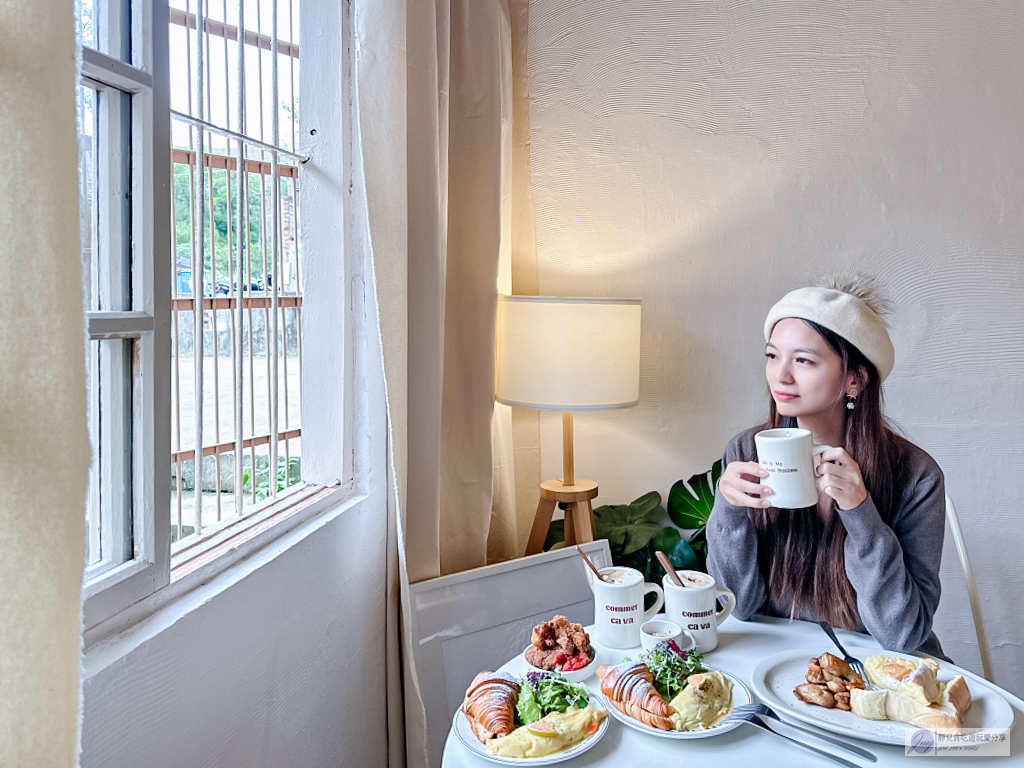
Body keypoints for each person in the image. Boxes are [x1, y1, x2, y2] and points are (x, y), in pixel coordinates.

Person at [706, 277, 948, 659]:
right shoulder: (746, 451)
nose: (780, 376)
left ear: (855, 378)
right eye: (773, 356)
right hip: (780, 667)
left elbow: (901, 634)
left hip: (883, 670)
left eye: (803, 360)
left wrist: (860, 513)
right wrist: (729, 509)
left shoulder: (915, 476)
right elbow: (737, 608)